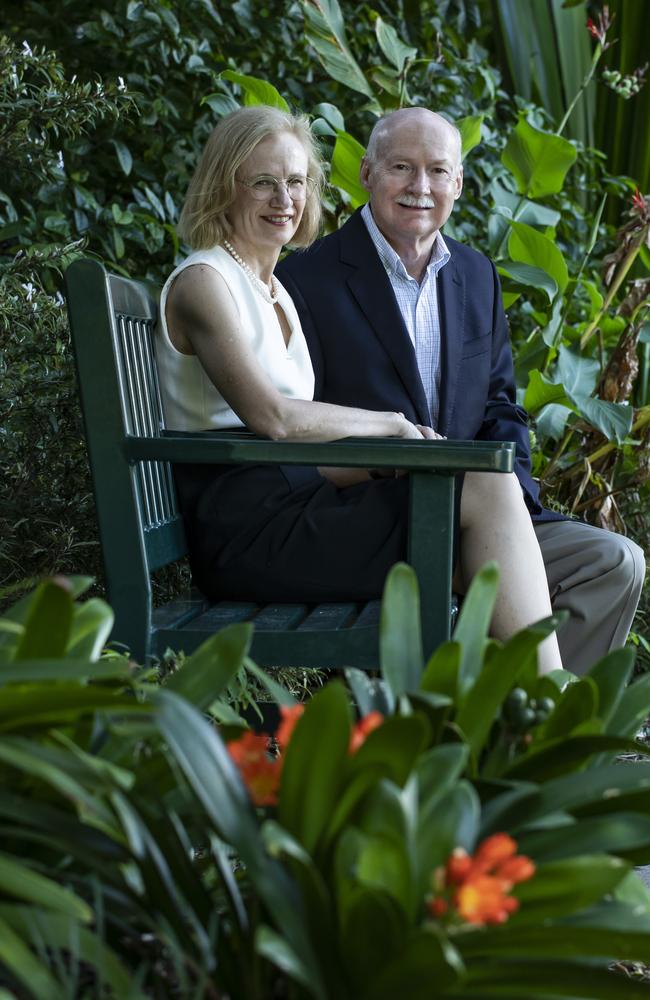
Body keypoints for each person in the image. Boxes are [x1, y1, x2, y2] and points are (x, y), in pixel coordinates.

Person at [157, 105, 563, 674]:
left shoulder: (273, 290)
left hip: (301, 506)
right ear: (226, 185)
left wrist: (390, 465)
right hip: (248, 532)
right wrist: (393, 429)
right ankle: (548, 712)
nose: (284, 200)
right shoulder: (204, 282)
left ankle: (507, 732)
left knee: (483, 533)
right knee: (484, 497)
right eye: (263, 182)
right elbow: (273, 419)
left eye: (296, 182)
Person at [276, 106, 646, 675]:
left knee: (614, 561)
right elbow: (297, 418)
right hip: (372, 520)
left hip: (482, 515)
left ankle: (522, 748)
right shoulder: (307, 277)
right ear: (368, 173)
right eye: (402, 167)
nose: (420, 187)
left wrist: (509, 510)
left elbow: (501, 407)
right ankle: (533, 726)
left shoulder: (476, 274)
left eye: (437, 171)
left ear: (459, 183)